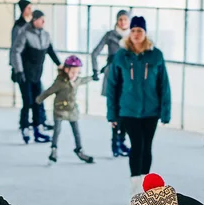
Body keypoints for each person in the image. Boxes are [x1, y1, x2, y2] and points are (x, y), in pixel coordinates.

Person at [107, 16, 171, 195]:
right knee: (137, 145)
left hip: (151, 111)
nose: (136, 34)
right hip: (128, 110)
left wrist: (165, 112)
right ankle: (136, 187)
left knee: (147, 146)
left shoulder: (156, 55)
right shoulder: (121, 55)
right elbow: (112, 85)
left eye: (139, 31)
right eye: (133, 30)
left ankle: (146, 187)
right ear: (130, 33)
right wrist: (112, 114)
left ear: (145, 33)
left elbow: (163, 85)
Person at [11, 10, 60, 144]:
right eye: (41, 19)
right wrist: (19, 71)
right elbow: (16, 52)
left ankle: (39, 129)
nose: (43, 22)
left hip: (37, 74)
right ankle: (25, 128)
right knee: (27, 101)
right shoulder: (24, 34)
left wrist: (59, 64)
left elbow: (50, 50)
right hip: (25, 74)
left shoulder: (45, 35)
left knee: (38, 100)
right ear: (34, 20)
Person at [35, 55, 95, 164]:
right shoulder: (59, 82)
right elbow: (49, 91)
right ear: (66, 70)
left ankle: (79, 149)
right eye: (73, 72)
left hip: (72, 110)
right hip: (60, 109)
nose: (75, 75)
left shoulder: (76, 80)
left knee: (76, 131)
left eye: (77, 72)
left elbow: (84, 80)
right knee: (57, 131)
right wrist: (38, 100)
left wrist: (94, 76)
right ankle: (54, 149)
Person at [91, 10, 131, 158]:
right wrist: (96, 70)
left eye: (125, 19)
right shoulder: (110, 35)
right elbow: (95, 52)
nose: (122, 22)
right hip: (114, 76)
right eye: (120, 19)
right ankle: (115, 142)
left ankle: (122, 141)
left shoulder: (134, 36)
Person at [9, 1, 51, 133]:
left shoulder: (38, 30)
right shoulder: (20, 27)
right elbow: (15, 50)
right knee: (28, 98)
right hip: (24, 69)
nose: (30, 9)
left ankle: (40, 121)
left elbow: (49, 48)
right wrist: (17, 69)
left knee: (38, 95)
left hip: (35, 70)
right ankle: (26, 124)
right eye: (28, 7)